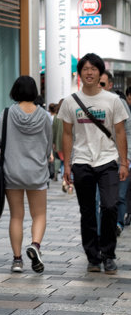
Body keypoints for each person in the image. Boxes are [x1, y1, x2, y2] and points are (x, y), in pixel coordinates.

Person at [58, 53, 128, 274]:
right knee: (87, 210)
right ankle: (93, 256)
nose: (89, 72)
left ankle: (108, 254)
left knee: (109, 206)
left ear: (100, 73)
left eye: (93, 69)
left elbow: (120, 132)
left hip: (108, 161)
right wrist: (66, 165)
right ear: (80, 73)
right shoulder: (70, 102)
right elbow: (67, 134)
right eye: (85, 69)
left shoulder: (113, 100)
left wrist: (124, 163)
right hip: (81, 161)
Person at [0, 76, 52, 274]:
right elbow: (48, 144)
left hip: (13, 172)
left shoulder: (7, 113)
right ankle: (35, 245)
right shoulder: (44, 115)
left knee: (16, 217)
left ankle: (17, 260)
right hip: (37, 171)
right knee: (39, 214)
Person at [100, 69, 131, 235]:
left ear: (111, 85)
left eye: (103, 84)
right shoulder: (88, 101)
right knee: (101, 200)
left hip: (119, 159)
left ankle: (118, 223)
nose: (100, 86)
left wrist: (127, 159)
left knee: (119, 195)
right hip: (96, 161)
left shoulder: (119, 103)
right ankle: (101, 232)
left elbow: (127, 131)